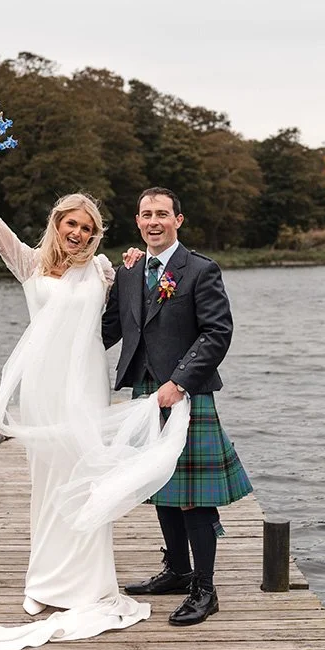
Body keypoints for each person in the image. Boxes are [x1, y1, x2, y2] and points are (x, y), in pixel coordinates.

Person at [0, 148, 190, 650]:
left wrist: (139, 267)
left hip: (86, 386)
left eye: (87, 227)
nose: (78, 233)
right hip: (43, 390)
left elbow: (135, 309)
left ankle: (88, 585)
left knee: (85, 478)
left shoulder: (102, 270)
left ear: (95, 234)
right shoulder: (28, 263)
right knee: (47, 483)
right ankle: (47, 583)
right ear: (56, 224)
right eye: (70, 224)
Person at [101, 186, 253, 626]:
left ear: (178, 221)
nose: (154, 221)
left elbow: (217, 333)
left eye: (162, 214)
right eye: (146, 214)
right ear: (137, 220)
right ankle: (177, 570)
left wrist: (180, 382)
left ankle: (205, 589)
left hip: (186, 394)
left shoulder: (201, 270)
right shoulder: (129, 271)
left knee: (192, 496)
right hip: (144, 392)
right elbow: (110, 328)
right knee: (159, 485)